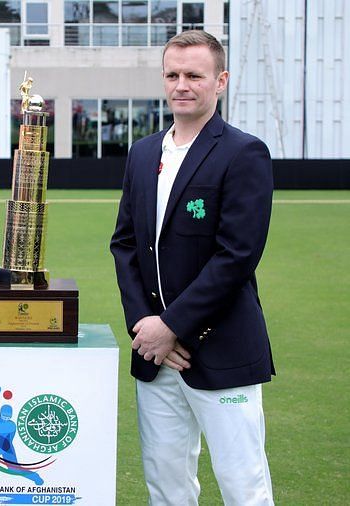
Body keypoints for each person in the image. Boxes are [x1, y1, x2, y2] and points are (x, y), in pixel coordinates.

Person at [110, 30, 275, 505]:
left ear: (220, 81)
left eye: (194, 75)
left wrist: (174, 326)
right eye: (173, 74)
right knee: (167, 484)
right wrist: (147, 326)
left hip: (221, 350)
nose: (182, 84)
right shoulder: (143, 153)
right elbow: (124, 245)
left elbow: (237, 255)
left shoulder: (244, 152)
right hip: (157, 356)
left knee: (243, 485)